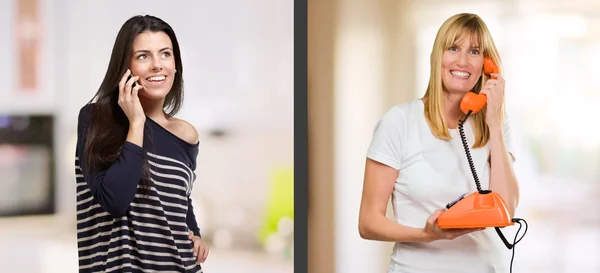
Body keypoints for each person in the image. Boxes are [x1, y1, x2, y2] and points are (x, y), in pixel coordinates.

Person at [358, 13, 519, 273]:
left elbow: (506, 208)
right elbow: (368, 222)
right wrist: (427, 233)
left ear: (486, 64)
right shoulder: (399, 122)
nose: (463, 61)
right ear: (437, 56)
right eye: (453, 48)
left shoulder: (496, 123)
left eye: (475, 51)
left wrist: (495, 124)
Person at [74, 15, 209, 272]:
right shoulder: (95, 119)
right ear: (125, 67)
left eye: (165, 54)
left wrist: (195, 233)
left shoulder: (186, 134)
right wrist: (136, 123)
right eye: (143, 56)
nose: (157, 65)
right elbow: (114, 200)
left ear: (176, 65)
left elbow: (180, 197)